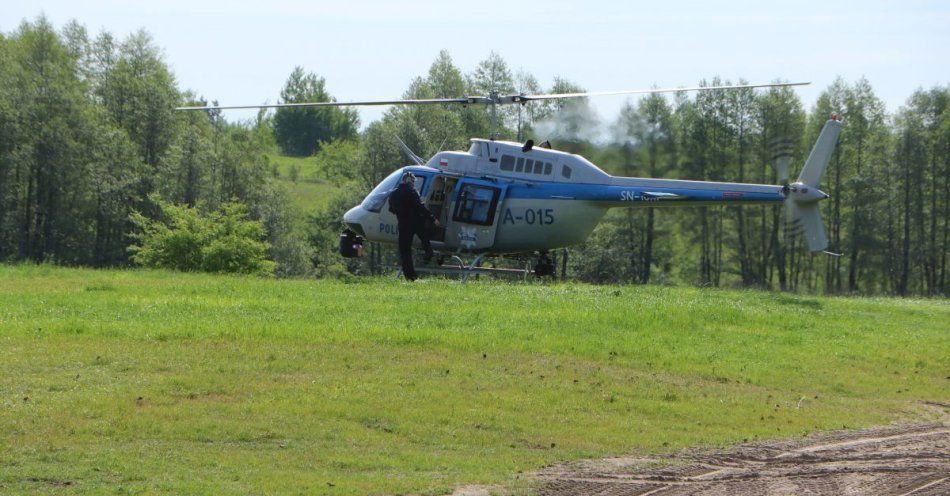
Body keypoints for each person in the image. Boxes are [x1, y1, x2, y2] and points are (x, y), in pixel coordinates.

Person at [388, 172, 441, 281]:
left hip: (403, 224)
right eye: (413, 181)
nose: (413, 184)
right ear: (409, 181)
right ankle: (428, 253)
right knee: (425, 237)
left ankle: (410, 276)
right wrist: (432, 218)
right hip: (416, 222)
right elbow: (421, 207)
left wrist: (401, 212)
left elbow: (392, 209)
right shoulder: (412, 192)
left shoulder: (394, 193)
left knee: (405, 251)